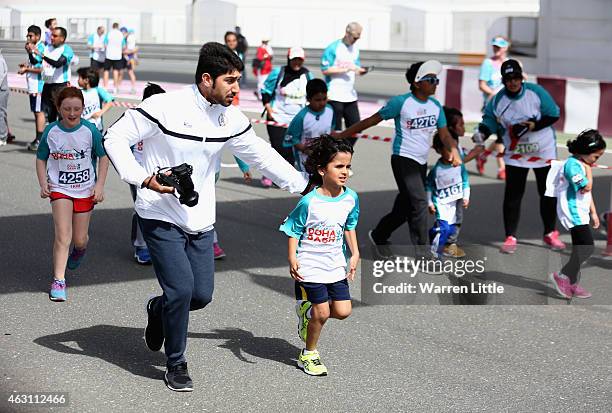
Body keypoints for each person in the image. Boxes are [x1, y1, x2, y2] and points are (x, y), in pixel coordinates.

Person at [103, 42, 309, 392]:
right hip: (159, 213)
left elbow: (262, 155)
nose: (236, 89)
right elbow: (114, 135)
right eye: (230, 81)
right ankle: (176, 363)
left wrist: (304, 186)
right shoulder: (165, 106)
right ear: (206, 79)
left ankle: (158, 309)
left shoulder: (230, 117)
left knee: (200, 296)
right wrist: (142, 178)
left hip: (200, 219)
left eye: (239, 81)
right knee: (182, 290)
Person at [336, 60, 462, 262]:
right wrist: (342, 135)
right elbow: (371, 121)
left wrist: (453, 150)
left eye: (436, 79)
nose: (435, 83)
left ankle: (379, 235)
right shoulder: (401, 102)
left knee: (405, 208)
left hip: (420, 162)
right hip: (403, 159)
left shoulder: (435, 106)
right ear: (417, 82)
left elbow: (445, 135)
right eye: (431, 79)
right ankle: (424, 255)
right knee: (420, 203)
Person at [279, 135, 359, 376]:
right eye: (339, 166)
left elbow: (350, 226)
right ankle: (309, 353)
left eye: (348, 166)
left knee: (343, 311)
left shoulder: (351, 198)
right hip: (309, 265)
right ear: (322, 170)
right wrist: (292, 258)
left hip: (334, 265)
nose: (345, 172)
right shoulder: (309, 202)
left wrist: (354, 254)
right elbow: (293, 230)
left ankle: (307, 313)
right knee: (322, 312)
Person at [473, 59, 564, 254]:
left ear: (521, 78)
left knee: (547, 193)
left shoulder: (536, 92)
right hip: (516, 154)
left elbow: (554, 114)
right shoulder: (498, 100)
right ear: (504, 80)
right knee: (513, 195)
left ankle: (550, 232)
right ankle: (510, 237)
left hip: (543, 152)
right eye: (509, 79)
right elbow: (488, 121)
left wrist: (534, 125)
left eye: (516, 78)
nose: (513, 82)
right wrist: (481, 133)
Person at [35, 87, 110, 301]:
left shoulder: (90, 130)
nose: (72, 113)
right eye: (67, 108)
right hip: (60, 189)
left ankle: (79, 250)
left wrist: (100, 186)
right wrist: (43, 183)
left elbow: (103, 157)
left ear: (83, 109)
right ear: (58, 108)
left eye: (77, 109)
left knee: (79, 239)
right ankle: (59, 280)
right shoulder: (51, 131)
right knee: (63, 236)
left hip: (85, 189)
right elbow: (41, 158)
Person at [547, 129, 606, 299]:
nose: (596, 161)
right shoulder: (573, 165)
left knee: (580, 248)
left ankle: (571, 281)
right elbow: (586, 187)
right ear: (586, 152)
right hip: (572, 210)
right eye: (596, 157)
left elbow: (588, 195)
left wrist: (593, 213)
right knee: (587, 247)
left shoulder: (581, 164)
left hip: (581, 210)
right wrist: (588, 170)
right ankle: (562, 276)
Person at [261, 47, 312, 186]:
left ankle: (284, 178)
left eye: (299, 60)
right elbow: (265, 90)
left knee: (291, 151)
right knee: (278, 148)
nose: (297, 62)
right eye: (294, 59)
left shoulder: (307, 75)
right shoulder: (279, 72)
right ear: (289, 59)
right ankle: (268, 174)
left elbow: (312, 94)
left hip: (297, 121)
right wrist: (268, 108)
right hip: (277, 118)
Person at [436, 107, 483, 258]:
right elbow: (456, 162)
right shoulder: (449, 143)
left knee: (453, 216)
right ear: (451, 128)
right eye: (461, 125)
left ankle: (446, 242)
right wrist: (474, 154)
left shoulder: (454, 140)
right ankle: (447, 244)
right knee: (451, 216)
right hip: (449, 186)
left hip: (454, 185)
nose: (463, 128)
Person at [321, 22, 368, 146]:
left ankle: (344, 150)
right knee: (335, 130)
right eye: (354, 37)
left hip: (350, 95)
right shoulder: (333, 47)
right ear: (347, 33)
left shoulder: (355, 49)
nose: (356, 40)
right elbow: (325, 70)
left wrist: (361, 71)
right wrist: (346, 69)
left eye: (358, 38)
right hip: (334, 94)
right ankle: (333, 156)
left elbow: (355, 67)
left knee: (356, 127)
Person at [29, 26, 74, 151]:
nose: (51, 38)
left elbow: (58, 63)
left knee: (62, 116)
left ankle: (66, 144)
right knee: (49, 116)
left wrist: (42, 55)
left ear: (62, 38)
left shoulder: (67, 49)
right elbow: (35, 61)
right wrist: (30, 52)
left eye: (55, 36)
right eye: (51, 35)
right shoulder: (48, 48)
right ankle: (49, 143)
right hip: (48, 85)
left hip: (60, 86)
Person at [426, 134, 470, 259]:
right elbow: (428, 186)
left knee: (453, 227)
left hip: (456, 202)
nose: (452, 152)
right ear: (439, 150)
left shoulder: (459, 166)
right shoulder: (436, 170)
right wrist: (430, 202)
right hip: (442, 204)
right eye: (448, 149)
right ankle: (436, 254)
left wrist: (466, 197)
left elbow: (465, 182)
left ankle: (443, 240)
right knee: (443, 229)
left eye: (455, 148)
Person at [475, 36, 510, 180]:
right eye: (494, 46)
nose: (496, 49)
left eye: (499, 46)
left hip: (508, 106)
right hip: (492, 105)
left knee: (503, 136)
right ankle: (502, 168)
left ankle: (483, 155)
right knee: (501, 136)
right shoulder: (488, 63)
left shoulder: (509, 63)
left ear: (506, 47)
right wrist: (494, 94)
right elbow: (481, 85)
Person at [284, 78, 335, 171]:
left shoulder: (330, 110)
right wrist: (307, 150)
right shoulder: (301, 117)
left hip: (324, 156)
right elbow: (293, 139)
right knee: (308, 183)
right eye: (318, 100)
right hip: (306, 159)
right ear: (308, 99)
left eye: (324, 99)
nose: (322, 103)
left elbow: (332, 129)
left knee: (324, 182)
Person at [18, 26, 45, 149]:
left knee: (39, 112)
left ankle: (40, 139)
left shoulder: (40, 48)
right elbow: (33, 63)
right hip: (33, 86)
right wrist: (26, 64)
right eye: (27, 36)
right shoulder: (34, 48)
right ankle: (38, 138)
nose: (28, 38)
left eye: (31, 36)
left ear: (38, 36)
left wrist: (27, 67)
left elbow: (39, 67)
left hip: (38, 87)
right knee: (36, 112)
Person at [77, 67, 114, 133]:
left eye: (79, 78)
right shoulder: (79, 92)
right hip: (82, 126)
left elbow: (110, 102)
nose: (78, 80)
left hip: (96, 127)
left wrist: (100, 113)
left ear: (86, 80)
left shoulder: (98, 90)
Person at [103, 23, 126, 94]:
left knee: (106, 71)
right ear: (118, 27)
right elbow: (124, 46)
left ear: (112, 26)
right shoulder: (121, 34)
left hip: (109, 55)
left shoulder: (109, 33)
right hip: (117, 55)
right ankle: (115, 88)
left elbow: (105, 44)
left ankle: (105, 87)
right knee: (115, 71)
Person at [224, 31, 241, 105]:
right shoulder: (223, 54)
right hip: (225, 84)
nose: (232, 43)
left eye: (234, 40)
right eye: (229, 41)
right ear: (225, 42)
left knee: (235, 104)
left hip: (235, 82)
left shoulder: (238, 53)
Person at [122, 28, 138, 94]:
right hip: (126, 57)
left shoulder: (130, 39)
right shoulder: (125, 39)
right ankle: (118, 86)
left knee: (131, 72)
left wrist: (135, 58)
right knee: (120, 72)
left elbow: (132, 49)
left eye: (125, 33)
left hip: (129, 57)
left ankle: (133, 88)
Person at [0, 50, 8, 146]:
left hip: (2, 90)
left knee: (1, 113)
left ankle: (2, 137)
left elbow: (0, 78)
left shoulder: (0, 61)